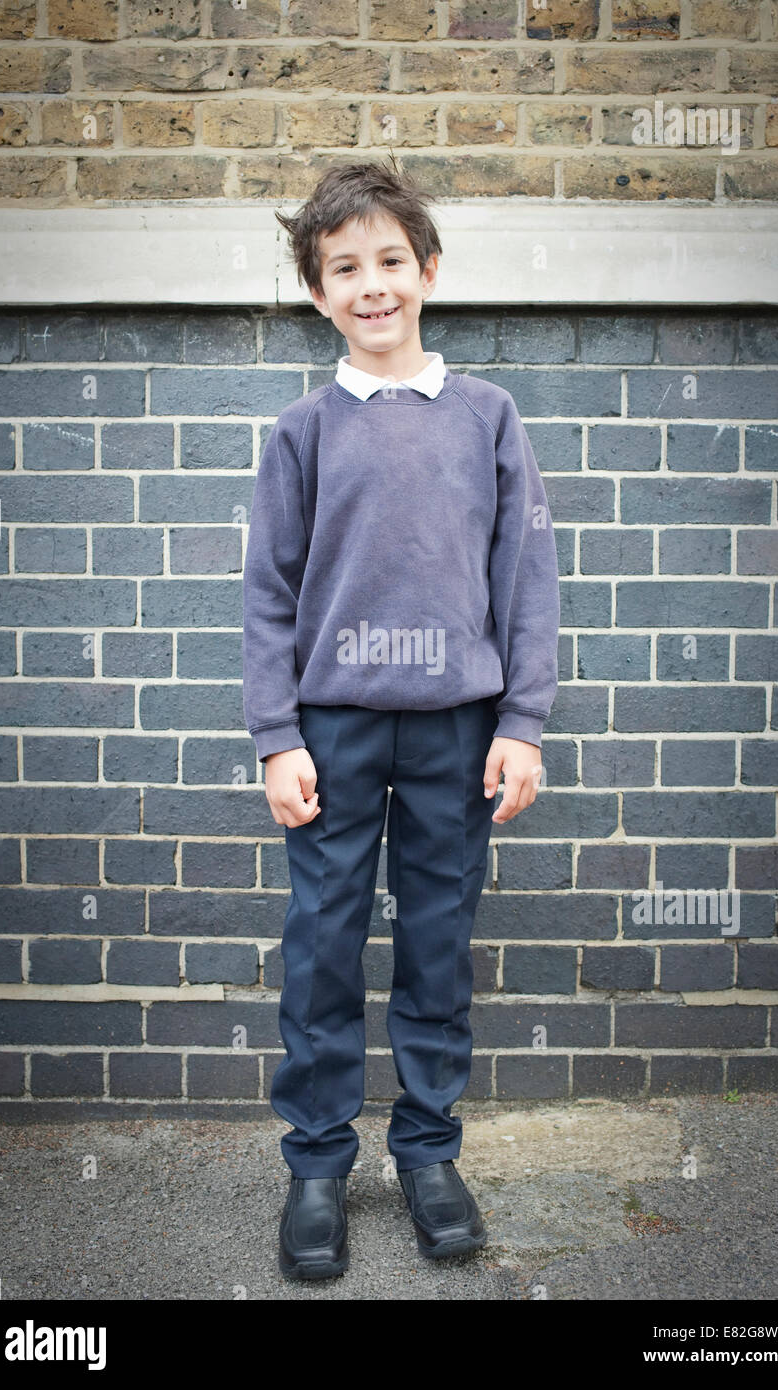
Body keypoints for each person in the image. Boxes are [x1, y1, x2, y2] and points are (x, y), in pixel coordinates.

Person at [242, 155, 560, 1281]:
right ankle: (318, 1166)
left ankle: (429, 1153)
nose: (371, 285)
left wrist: (520, 720)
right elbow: (269, 592)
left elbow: (525, 577)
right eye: (344, 269)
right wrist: (278, 737)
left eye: (389, 261)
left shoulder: (486, 416)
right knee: (323, 947)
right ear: (319, 293)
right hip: (332, 729)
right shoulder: (303, 431)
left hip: (455, 733)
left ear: (427, 269)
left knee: (436, 947)